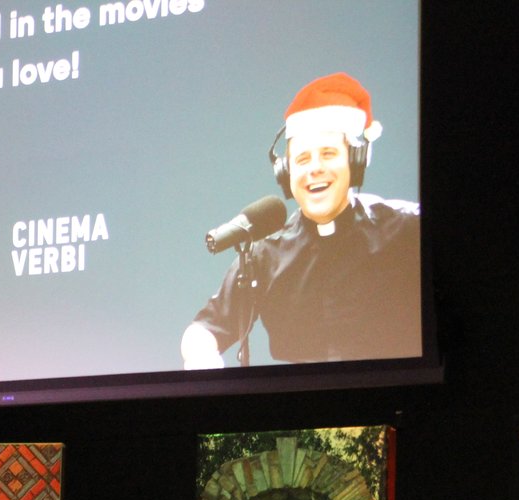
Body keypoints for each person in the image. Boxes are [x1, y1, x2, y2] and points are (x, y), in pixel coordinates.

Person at [180, 72, 421, 367]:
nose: (314, 168)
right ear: (285, 173)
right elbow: (205, 328)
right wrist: (202, 355)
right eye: (303, 159)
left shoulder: (410, 229)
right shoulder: (264, 255)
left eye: (328, 154)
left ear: (355, 162)